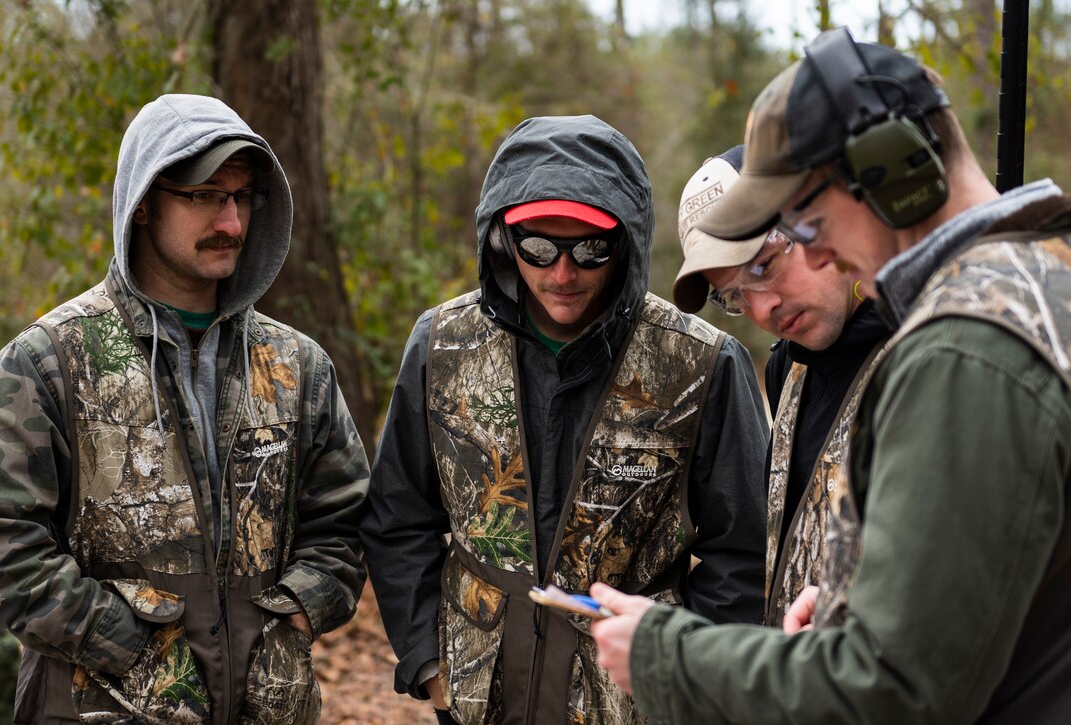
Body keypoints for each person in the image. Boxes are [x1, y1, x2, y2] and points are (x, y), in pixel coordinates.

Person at [591, 27, 1071, 724]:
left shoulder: (964, 348)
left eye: (808, 225)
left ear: (888, 170)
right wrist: (862, 595)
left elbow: (896, 691)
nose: (820, 262)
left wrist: (668, 655)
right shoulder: (1041, 280)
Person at [360, 114, 769, 724]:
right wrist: (429, 661)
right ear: (503, 238)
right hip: (478, 696)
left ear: (625, 241)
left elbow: (746, 552)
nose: (562, 273)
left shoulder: (701, 363)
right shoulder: (442, 344)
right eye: (539, 247)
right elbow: (397, 519)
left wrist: (685, 674)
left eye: (590, 248)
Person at [0, 94, 370, 724]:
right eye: (203, 195)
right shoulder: (49, 361)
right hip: (99, 707)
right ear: (141, 206)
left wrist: (298, 608)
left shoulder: (297, 366)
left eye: (241, 197)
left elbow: (346, 519)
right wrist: (127, 641)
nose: (231, 222)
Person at [673, 144, 889, 626]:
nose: (762, 309)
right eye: (732, 296)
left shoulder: (925, 357)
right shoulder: (789, 370)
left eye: (763, 266)